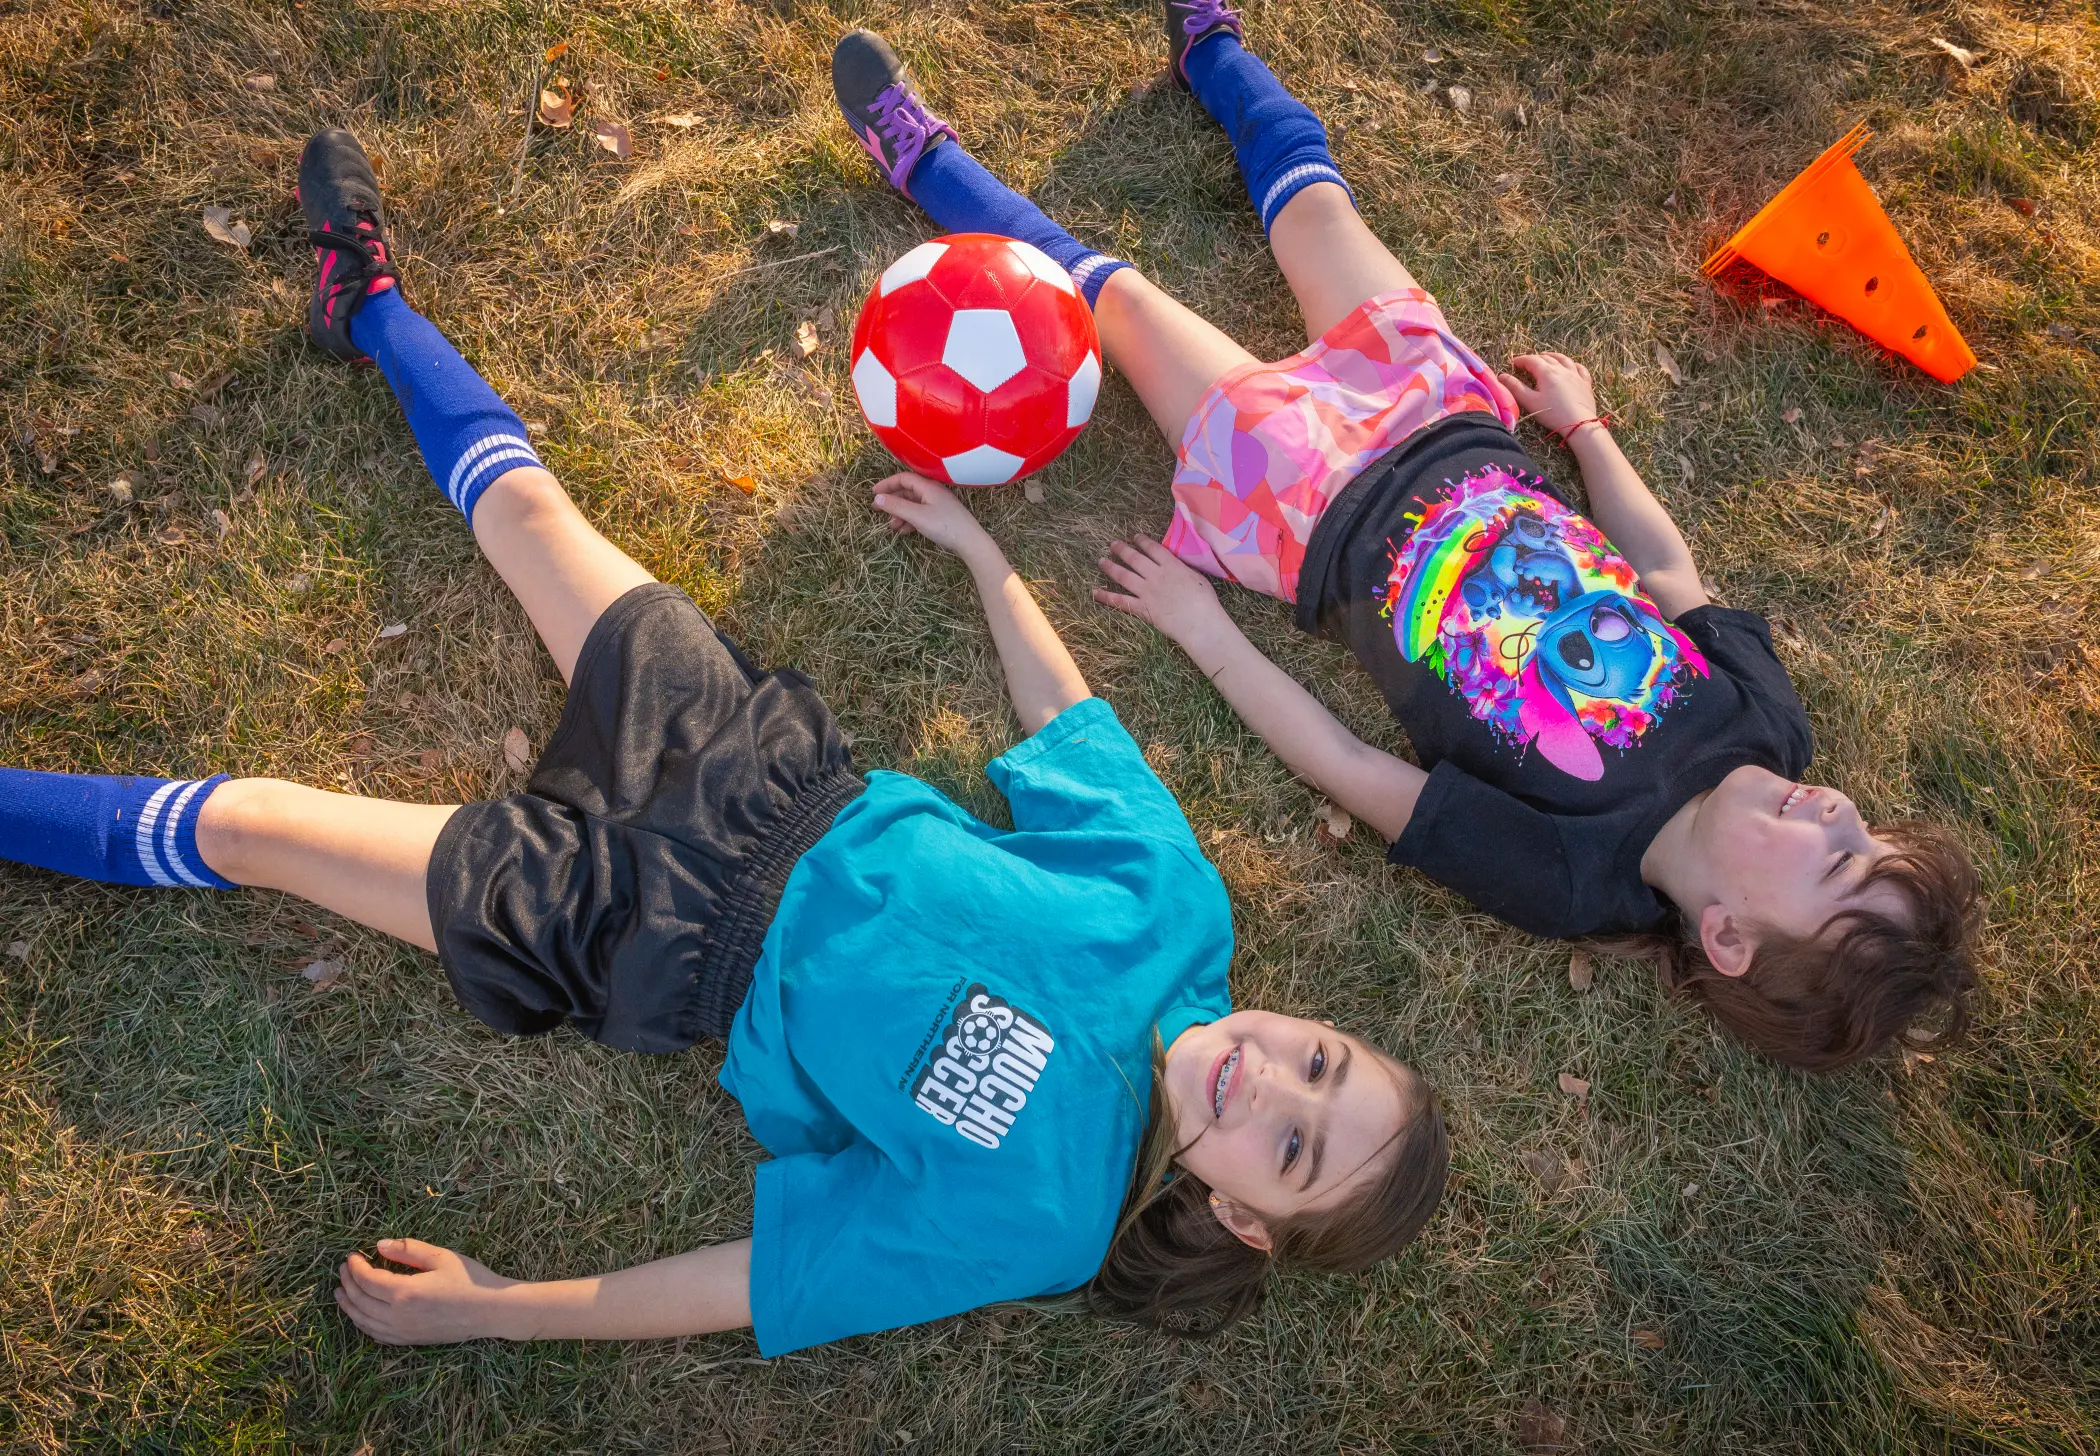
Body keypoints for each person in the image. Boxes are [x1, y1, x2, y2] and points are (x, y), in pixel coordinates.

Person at [0, 129, 1449, 1351]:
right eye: (1323, 1062)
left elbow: (761, 1281)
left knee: (261, 828)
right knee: (529, 518)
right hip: (763, 768)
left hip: (650, 942)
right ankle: (366, 300)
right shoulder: (1172, 912)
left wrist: (499, 1307)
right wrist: (989, 567)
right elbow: (1071, 732)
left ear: (1247, 1220)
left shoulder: (1045, 1221)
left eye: (1296, 1146)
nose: (1274, 1083)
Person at [831, 11, 1982, 1073]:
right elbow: (1670, 573)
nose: (1835, 807)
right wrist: (1585, 434)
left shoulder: (1572, 875)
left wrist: (1199, 626)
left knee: (1117, 307)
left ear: (1727, 935)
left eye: (1838, 862)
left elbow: (1352, 767)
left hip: (1304, 500)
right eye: (1863, 827)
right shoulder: (1766, 726)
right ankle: (1211, 44)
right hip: (1446, 416)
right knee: (1317, 204)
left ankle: (924, 159)